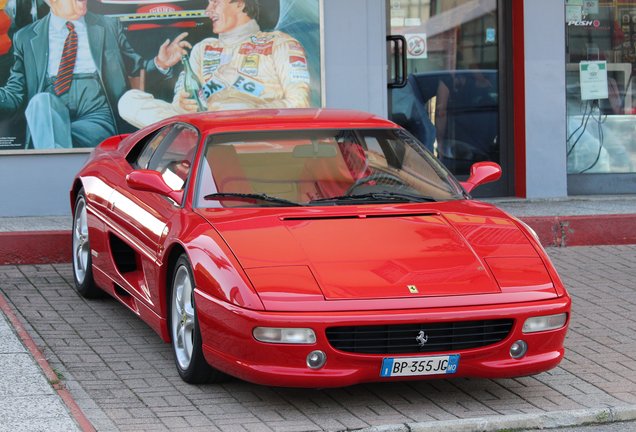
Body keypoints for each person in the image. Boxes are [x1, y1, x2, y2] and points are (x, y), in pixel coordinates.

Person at [0, 0, 190, 149]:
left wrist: (160, 63)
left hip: (96, 112)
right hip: (51, 107)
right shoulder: (25, 37)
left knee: (52, 139)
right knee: (40, 103)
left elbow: (136, 69)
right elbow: (15, 94)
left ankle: (53, 173)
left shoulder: (108, 26)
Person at [119, 0, 311, 129]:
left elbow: (299, 104)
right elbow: (180, 104)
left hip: (252, 132)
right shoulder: (202, 49)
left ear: (240, 3)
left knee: (232, 108)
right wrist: (184, 104)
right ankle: (188, 140)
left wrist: (246, 108)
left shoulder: (281, 43)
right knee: (129, 100)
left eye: (215, 2)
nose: (208, 10)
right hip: (203, 129)